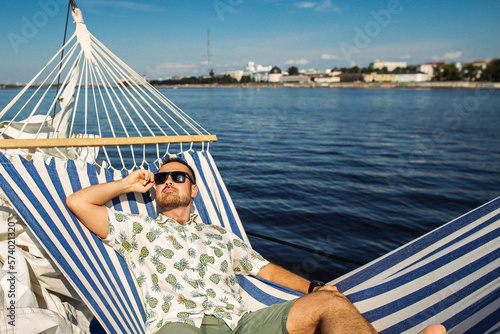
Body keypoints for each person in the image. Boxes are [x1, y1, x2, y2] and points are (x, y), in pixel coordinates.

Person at [66, 157, 445, 334]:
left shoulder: (221, 236)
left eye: (178, 176)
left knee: (332, 303)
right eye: (162, 177)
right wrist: (129, 185)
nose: (168, 181)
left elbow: (264, 269)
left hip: (240, 324)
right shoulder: (139, 231)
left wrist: (313, 287)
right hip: (176, 325)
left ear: (193, 188)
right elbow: (79, 203)